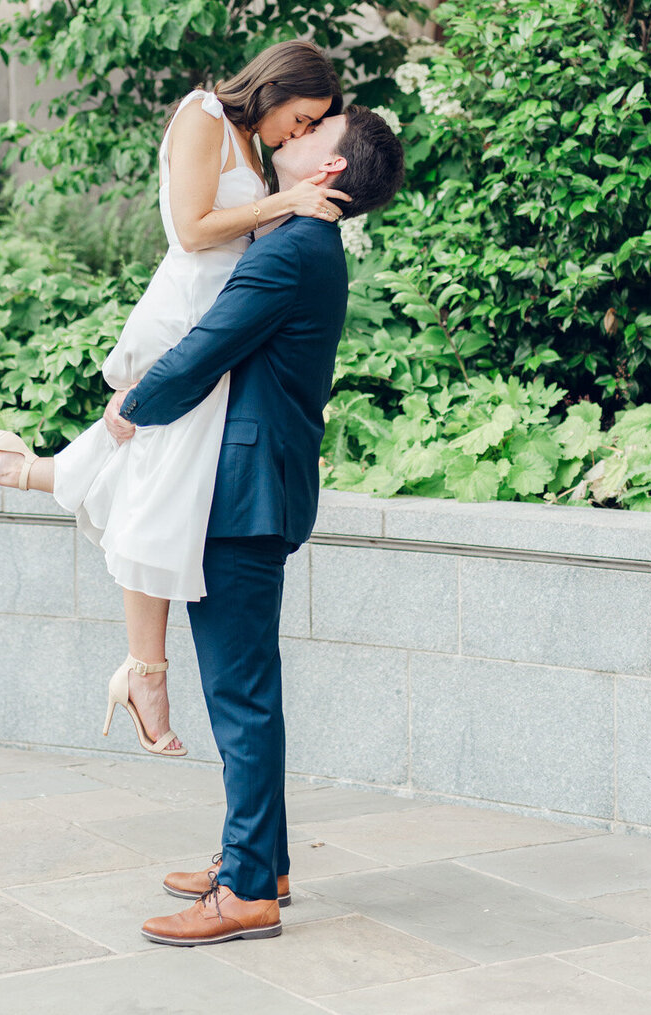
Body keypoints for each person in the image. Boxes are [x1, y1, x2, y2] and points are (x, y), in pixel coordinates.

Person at [0, 40, 348, 756]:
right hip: (187, 319)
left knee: (153, 476)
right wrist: (290, 201)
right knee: (158, 487)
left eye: (314, 128)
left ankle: (21, 466)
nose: (301, 134)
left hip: (222, 328)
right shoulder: (204, 115)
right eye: (303, 117)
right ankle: (145, 670)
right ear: (278, 85)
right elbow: (191, 230)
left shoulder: (253, 144)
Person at [126, 105, 405, 945]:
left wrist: (126, 411)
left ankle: (245, 889)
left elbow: (205, 347)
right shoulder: (301, 239)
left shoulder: (288, 249)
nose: (292, 134)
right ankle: (264, 861)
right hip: (260, 482)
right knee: (250, 687)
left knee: (239, 693)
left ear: (328, 171)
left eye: (314, 132)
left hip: (243, 492)